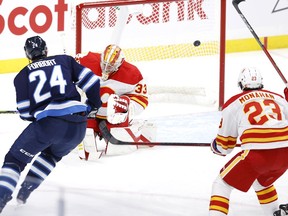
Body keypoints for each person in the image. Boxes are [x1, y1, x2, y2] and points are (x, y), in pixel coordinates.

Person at [0, 35, 101, 213]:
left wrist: (36, 116)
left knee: (14, 160)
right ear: (46, 50)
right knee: (50, 156)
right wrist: (93, 104)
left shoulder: (22, 75)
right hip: (78, 126)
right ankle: (25, 192)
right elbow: (92, 81)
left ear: (27, 55)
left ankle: (1, 197)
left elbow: (24, 112)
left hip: (50, 125)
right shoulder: (65, 60)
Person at [209, 67, 288, 216]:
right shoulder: (279, 98)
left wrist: (215, 146)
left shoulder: (233, 103)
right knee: (261, 182)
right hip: (286, 153)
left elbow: (224, 147)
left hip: (258, 155)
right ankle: (274, 214)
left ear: (241, 84)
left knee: (221, 185)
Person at [75, 44, 153, 160]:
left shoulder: (133, 73)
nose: (106, 68)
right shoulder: (86, 61)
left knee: (116, 149)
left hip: (114, 120)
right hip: (91, 113)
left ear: (120, 63)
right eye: (104, 64)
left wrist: (126, 108)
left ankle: (137, 131)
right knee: (82, 133)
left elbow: (141, 99)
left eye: (111, 65)